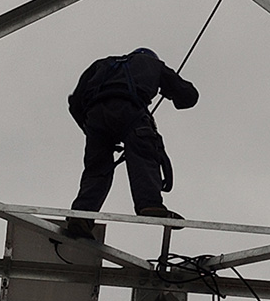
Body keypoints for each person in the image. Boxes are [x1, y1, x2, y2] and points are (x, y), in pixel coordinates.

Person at [66, 48, 198, 239]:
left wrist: (91, 129)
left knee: (96, 170)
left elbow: (75, 102)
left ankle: (81, 216)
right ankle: (149, 204)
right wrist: (165, 88)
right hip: (130, 110)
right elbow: (188, 96)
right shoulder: (152, 64)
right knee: (144, 155)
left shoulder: (101, 64)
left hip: (95, 116)